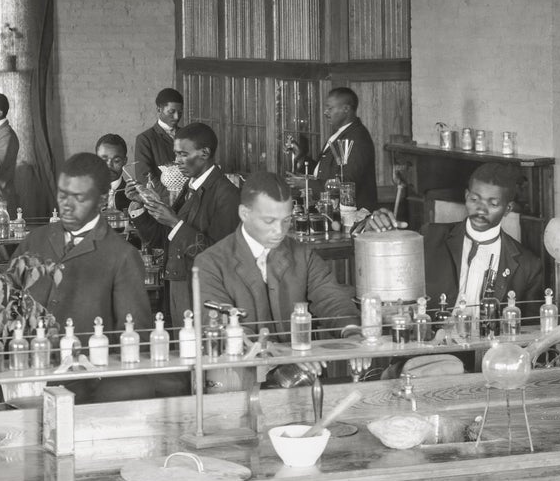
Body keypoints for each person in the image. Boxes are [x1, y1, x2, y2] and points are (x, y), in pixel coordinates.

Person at [195, 171, 362, 342]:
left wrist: (350, 330)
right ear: (244, 213)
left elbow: (330, 298)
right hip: (244, 366)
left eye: (286, 220)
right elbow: (218, 325)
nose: (280, 231)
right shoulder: (210, 263)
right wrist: (270, 356)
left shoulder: (302, 255)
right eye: (269, 221)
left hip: (303, 364)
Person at [12, 153, 153, 339]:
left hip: (89, 364)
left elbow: (135, 336)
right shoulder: (34, 241)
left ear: (102, 199)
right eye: (62, 195)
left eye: (78, 197)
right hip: (32, 361)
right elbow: (5, 299)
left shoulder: (122, 256)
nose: (67, 206)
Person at [130, 121, 240, 320]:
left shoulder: (227, 195)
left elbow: (219, 256)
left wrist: (174, 223)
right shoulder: (191, 186)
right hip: (178, 284)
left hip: (203, 291)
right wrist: (142, 206)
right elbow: (161, 240)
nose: (177, 161)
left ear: (205, 153)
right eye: (176, 154)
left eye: (183, 154)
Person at [422, 160, 544, 321]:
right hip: (433, 340)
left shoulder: (528, 265)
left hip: (491, 344)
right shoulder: (429, 237)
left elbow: (531, 328)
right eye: (474, 200)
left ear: (508, 209)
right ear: (466, 196)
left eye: (493, 204)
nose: (480, 209)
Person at [288, 86, 380, 213]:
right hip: (335, 211)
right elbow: (324, 172)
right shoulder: (342, 134)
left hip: (353, 216)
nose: (326, 112)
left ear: (346, 109)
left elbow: (346, 183)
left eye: (330, 108)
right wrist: (301, 157)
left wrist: (306, 184)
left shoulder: (357, 138)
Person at [131, 88, 183, 190]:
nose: (177, 117)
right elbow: (145, 178)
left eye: (180, 112)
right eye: (171, 112)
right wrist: (173, 196)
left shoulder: (187, 136)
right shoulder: (145, 139)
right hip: (161, 199)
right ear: (159, 110)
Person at [94, 133, 134, 211]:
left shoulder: (134, 196)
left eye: (116, 161)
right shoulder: (85, 194)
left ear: (124, 161)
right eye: (104, 160)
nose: (109, 166)